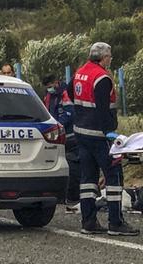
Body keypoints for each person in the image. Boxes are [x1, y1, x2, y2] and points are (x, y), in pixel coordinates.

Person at [73, 42, 139, 236]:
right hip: (100, 136)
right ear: (103, 58)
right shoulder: (101, 77)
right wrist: (110, 132)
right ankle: (115, 222)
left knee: (87, 179)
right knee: (114, 176)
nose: (110, 60)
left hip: (81, 133)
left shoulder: (81, 72)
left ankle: (88, 221)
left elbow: (71, 92)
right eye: (109, 56)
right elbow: (103, 108)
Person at [42, 74, 79, 213]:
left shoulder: (64, 93)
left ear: (56, 82)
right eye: (47, 87)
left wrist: (57, 125)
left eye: (51, 85)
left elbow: (70, 113)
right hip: (56, 135)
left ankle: (72, 195)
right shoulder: (48, 96)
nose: (50, 88)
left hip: (69, 135)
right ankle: (64, 195)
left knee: (72, 165)